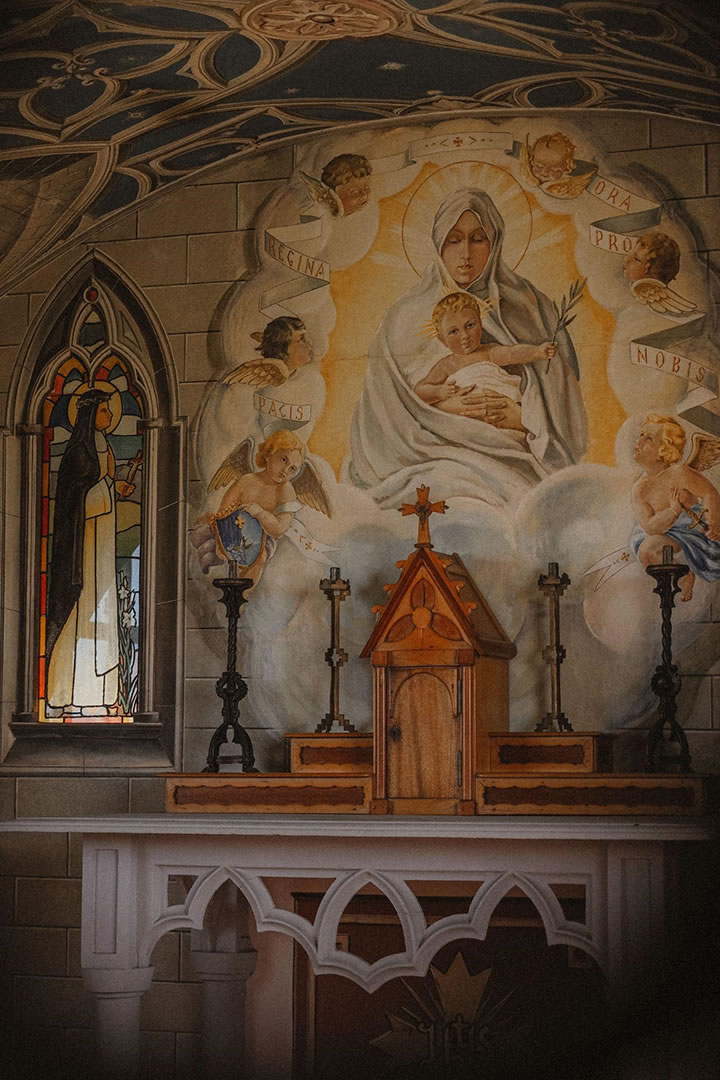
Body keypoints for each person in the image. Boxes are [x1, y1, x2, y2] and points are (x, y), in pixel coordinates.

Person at [346, 188, 587, 508]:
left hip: (514, 449)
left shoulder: (530, 306)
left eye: (478, 239)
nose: (466, 254)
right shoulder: (402, 317)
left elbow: (565, 407)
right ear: (438, 244)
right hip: (427, 454)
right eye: (454, 240)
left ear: (495, 241)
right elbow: (382, 414)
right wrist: (449, 409)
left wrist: (523, 417)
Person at [46, 387, 135, 715]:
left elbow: (98, 490)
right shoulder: (78, 452)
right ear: (88, 415)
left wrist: (114, 488)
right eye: (104, 410)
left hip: (102, 543)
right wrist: (110, 488)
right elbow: (74, 502)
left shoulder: (103, 445)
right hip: (81, 549)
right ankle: (67, 695)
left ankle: (100, 696)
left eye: (110, 410)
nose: (109, 416)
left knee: (102, 611)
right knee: (82, 612)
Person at [414, 293, 558, 440]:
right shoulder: (447, 364)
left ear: (480, 325)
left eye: (470, 326)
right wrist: (439, 392)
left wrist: (537, 351)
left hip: (503, 413)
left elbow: (512, 353)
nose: (464, 336)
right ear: (442, 339)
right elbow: (419, 390)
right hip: (467, 422)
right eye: (453, 331)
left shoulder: (489, 352)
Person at [631, 415, 720, 602]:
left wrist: (714, 522)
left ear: (664, 450)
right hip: (660, 529)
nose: (639, 441)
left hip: (692, 529)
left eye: (649, 439)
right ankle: (683, 577)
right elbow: (650, 526)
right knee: (647, 551)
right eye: (641, 435)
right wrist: (673, 511)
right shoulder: (639, 489)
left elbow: (709, 493)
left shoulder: (680, 473)